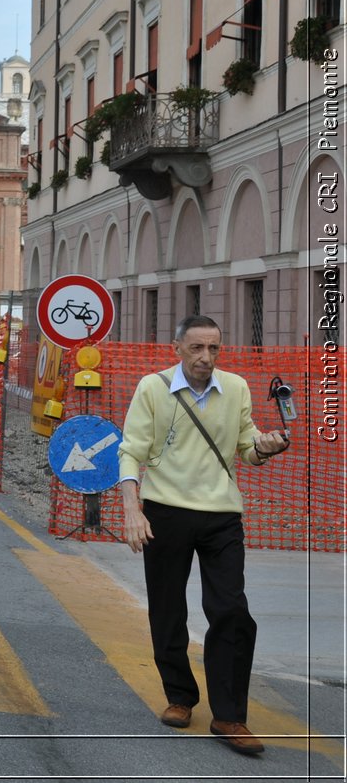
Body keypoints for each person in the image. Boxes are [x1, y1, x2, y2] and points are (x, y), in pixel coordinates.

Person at [118, 314, 291, 756]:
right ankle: (180, 695)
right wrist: (132, 510)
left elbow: (246, 446)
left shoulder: (235, 388)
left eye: (214, 348)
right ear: (177, 348)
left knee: (231, 609)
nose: (206, 357)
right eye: (196, 348)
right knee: (168, 609)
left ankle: (229, 715)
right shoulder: (153, 388)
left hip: (221, 515)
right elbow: (131, 450)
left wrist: (264, 448)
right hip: (165, 513)